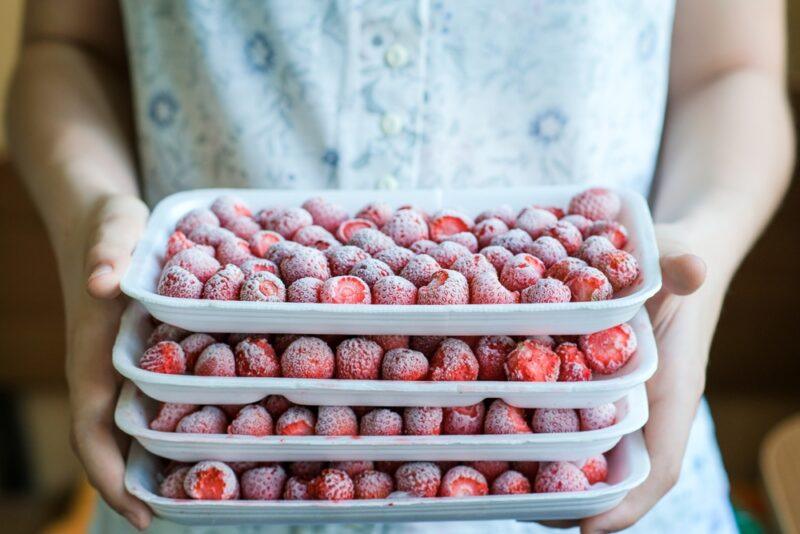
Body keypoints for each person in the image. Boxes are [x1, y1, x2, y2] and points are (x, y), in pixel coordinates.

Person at [7, 1, 793, 532]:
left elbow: (732, 73)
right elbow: (67, 46)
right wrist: (92, 215)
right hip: (204, 455)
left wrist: (698, 251)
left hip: (598, 429)